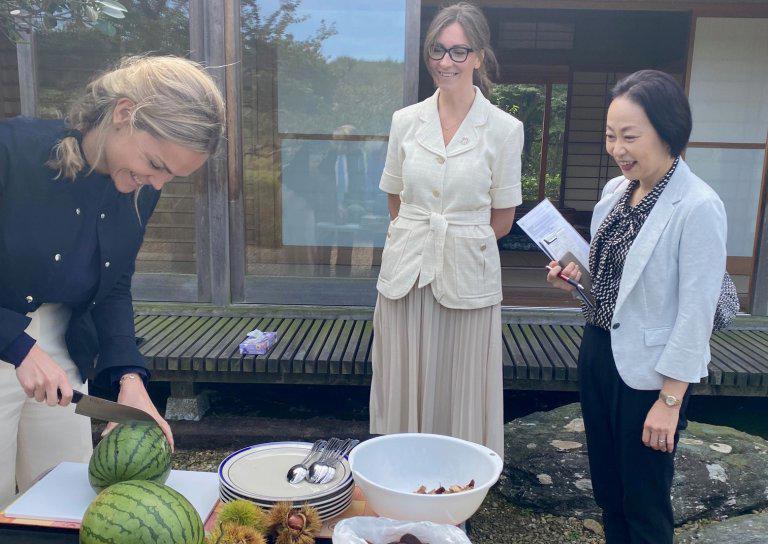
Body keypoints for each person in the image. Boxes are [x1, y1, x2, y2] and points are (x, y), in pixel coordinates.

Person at [0, 55, 225, 508]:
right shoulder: (11, 151)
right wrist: (17, 346)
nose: (155, 183)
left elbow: (114, 286)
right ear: (124, 114)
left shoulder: (138, 187)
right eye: (155, 163)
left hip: (60, 350)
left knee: (63, 500)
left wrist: (129, 377)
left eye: (170, 177)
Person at [546, 70, 727, 543]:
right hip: (599, 353)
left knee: (644, 501)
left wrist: (670, 401)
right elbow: (610, 284)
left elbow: (696, 312)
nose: (617, 149)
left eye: (629, 136)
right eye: (610, 136)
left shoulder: (697, 206)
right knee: (609, 490)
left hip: (652, 373)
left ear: (667, 132)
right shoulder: (616, 193)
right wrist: (574, 281)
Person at [370, 2, 523, 457]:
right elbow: (395, 199)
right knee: (402, 376)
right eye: (438, 50)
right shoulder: (405, 121)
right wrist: (422, 239)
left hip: (466, 275)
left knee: (461, 381)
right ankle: (399, 471)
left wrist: (455, 241)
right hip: (407, 274)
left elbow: (502, 218)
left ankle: (457, 482)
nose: (446, 62)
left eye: (460, 51)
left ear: (479, 56)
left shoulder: (504, 129)